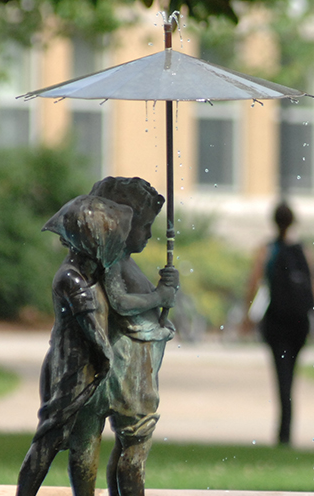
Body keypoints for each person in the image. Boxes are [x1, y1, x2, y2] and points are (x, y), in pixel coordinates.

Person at [17, 194, 133, 496]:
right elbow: (92, 329)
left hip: (90, 367)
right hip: (71, 369)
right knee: (49, 439)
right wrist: (108, 359)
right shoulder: (71, 279)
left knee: (71, 438)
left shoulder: (93, 273)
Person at [82, 176, 179, 496]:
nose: (149, 234)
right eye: (144, 226)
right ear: (120, 225)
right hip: (128, 370)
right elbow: (121, 303)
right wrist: (159, 297)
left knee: (128, 446)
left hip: (135, 365)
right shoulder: (111, 262)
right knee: (135, 447)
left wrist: (163, 289)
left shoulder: (121, 262)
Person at [241, 201, 314, 446]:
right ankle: (286, 428)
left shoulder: (267, 250)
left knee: (282, 375)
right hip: (299, 321)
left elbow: (253, 283)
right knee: (290, 373)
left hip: (276, 321)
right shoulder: (305, 251)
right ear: (293, 222)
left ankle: (284, 432)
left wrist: (246, 316)